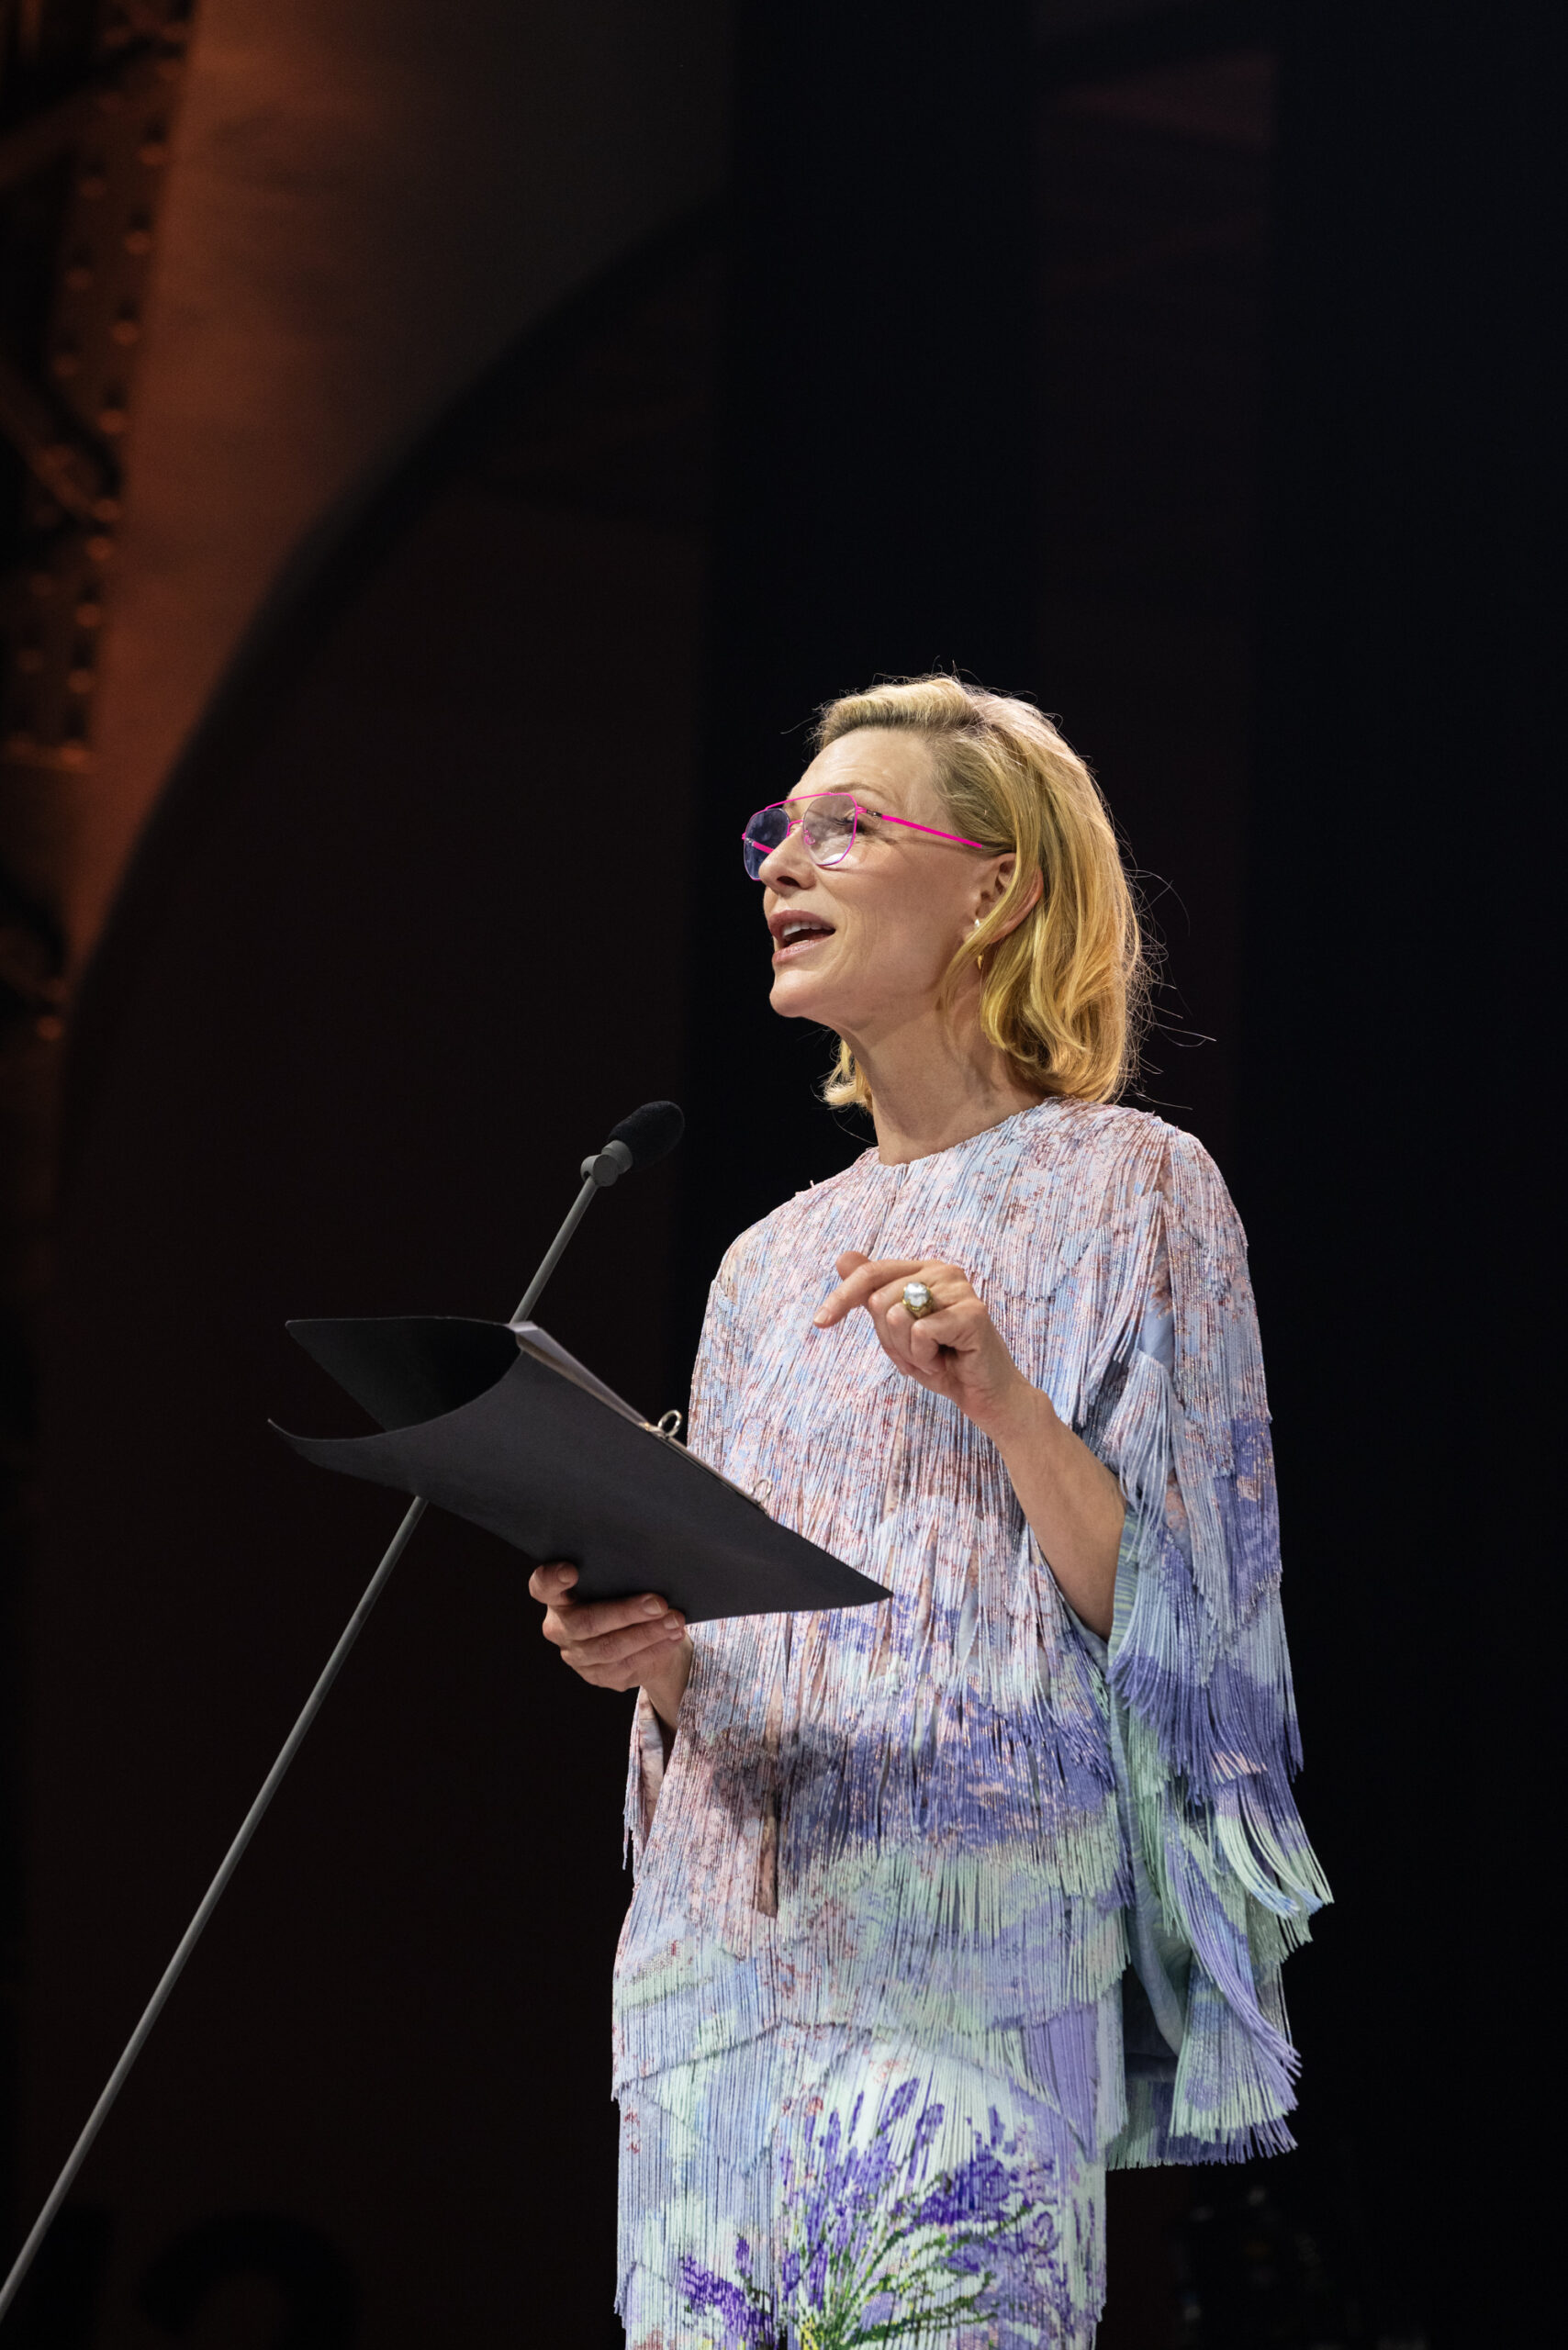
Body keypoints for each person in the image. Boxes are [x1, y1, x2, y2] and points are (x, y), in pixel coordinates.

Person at [530, 677, 1328, 2349]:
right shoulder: (762, 1267)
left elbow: (1189, 1623)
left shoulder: (1137, 1186)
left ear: (998, 884)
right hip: (717, 1994)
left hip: (967, 1977)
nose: (780, 865)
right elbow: (748, 1650)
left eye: (845, 828)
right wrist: (650, 1655)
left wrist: (1004, 1400)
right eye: (777, 831)